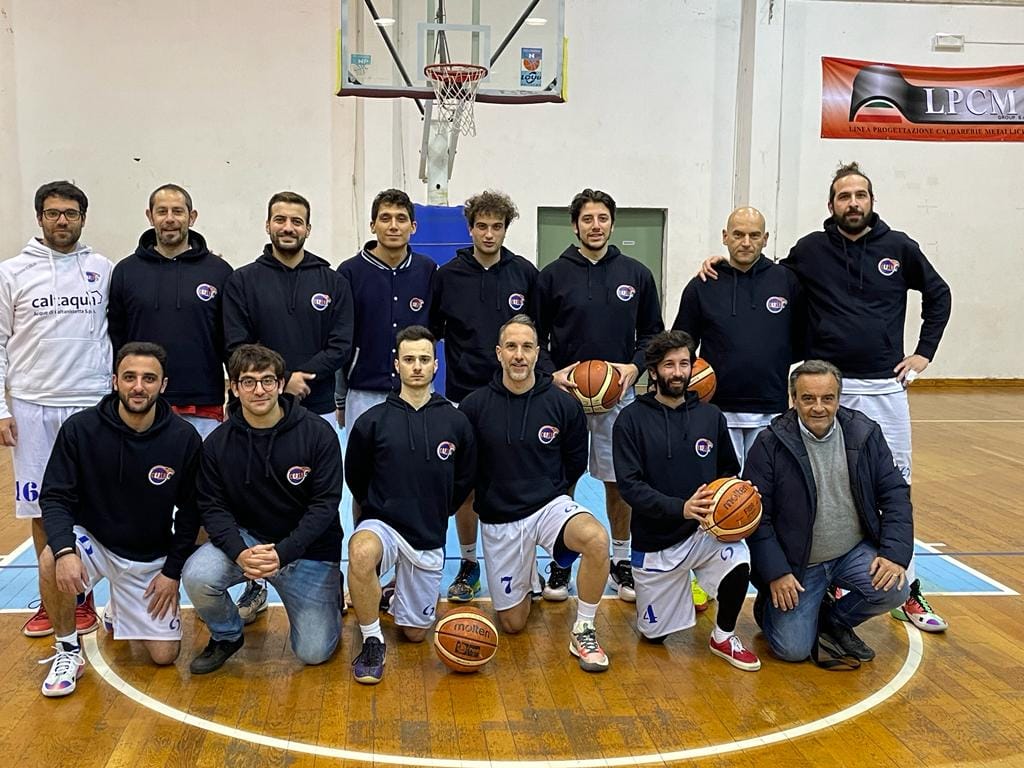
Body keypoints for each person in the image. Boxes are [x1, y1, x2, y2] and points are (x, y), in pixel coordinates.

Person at [700, 163, 952, 632]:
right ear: (830, 204)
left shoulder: (900, 248)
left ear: (871, 200)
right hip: (821, 387)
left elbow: (939, 294)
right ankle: (819, 572)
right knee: (813, 485)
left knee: (894, 484)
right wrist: (719, 264)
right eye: (843, 196)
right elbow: (762, 276)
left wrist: (923, 354)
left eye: (860, 195)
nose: (852, 203)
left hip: (882, 385)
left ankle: (908, 590)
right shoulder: (810, 251)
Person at [36, 342, 202, 696]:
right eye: (129, 377)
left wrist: (172, 572)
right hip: (93, 542)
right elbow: (54, 496)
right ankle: (67, 649)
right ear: (115, 381)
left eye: (148, 378)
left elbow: (191, 513)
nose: (138, 386)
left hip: (147, 557)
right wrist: (66, 551)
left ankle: (119, 608)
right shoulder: (80, 429)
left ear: (164, 385)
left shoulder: (183, 437)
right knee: (51, 557)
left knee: (163, 656)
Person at [222, 191, 353, 620]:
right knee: (250, 498)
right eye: (280, 220)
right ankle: (255, 582)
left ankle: (322, 572)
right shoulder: (242, 280)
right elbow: (237, 343)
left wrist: (297, 379)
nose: (288, 228)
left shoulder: (331, 281)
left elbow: (340, 344)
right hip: (255, 411)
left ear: (308, 229)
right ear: (268, 225)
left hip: (310, 407)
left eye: (297, 221)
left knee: (310, 494)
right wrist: (274, 385)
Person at [459, 315, 612, 673]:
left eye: (526, 347)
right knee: (512, 625)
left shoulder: (563, 404)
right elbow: (464, 473)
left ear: (537, 353)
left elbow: (574, 462)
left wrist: (555, 499)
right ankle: (528, 576)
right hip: (500, 519)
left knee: (595, 539)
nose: (518, 355)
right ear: (498, 353)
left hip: (547, 508)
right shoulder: (474, 407)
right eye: (511, 347)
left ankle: (585, 628)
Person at [181, 344, 344, 674]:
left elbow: (325, 505)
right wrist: (239, 552)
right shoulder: (218, 444)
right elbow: (213, 508)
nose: (259, 390)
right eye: (249, 381)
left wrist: (284, 553)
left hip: (308, 552)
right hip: (249, 543)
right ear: (235, 388)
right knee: (198, 575)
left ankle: (330, 590)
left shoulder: (317, 433)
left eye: (268, 380)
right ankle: (227, 635)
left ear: (281, 384)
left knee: (314, 653)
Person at [536, 189, 663, 603]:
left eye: (602, 218)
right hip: (566, 396)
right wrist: (552, 375)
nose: (595, 225)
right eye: (587, 218)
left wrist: (634, 367)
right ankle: (560, 563)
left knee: (619, 482)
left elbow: (651, 335)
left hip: (617, 396)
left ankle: (621, 560)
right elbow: (535, 338)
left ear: (612, 223)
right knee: (561, 481)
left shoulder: (637, 273)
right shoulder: (552, 275)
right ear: (574, 225)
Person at [744, 360, 912, 668]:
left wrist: (894, 554)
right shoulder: (769, 443)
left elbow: (895, 494)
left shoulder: (864, 433)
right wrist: (776, 573)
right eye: (808, 399)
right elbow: (758, 518)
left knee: (894, 588)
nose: (818, 407)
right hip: (799, 564)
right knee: (791, 650)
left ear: (839, 397)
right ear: (794, 400)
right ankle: (769, 608)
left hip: (851, 552)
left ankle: (832, 620)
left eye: (827, 398)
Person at [1, 180, 112, 638]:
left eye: (70, 213)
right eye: (53, 213)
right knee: (44, 510)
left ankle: (83, 597)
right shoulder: (11, 273)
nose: (61, 220)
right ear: (39, 218)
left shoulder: (103, 269)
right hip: (31, 406)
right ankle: (54, 600)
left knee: (96, 504)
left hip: (89, 404)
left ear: (83, 218)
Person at [613, 331, 759, 671]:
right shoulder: (630, 420)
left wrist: (737, 496)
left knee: (739, 556)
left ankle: (723, 636)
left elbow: (728, 470)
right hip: (656, 542)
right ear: (653, 370)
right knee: (653, 637)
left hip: (703, 531)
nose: (678, 372)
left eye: (684, 363)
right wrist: (681, 507)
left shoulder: (711, 416)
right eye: (669, 365)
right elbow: (630, 487)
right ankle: (670, 601)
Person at [344, 326, 475, 684]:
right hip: (384, 525)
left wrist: (439, 508)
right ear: (396, 365)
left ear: (436, 365)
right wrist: (377, 509)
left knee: (415, 633)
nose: (416, 366)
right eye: (409, 359)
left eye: (424, 359)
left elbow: (464, 479)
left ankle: (390, 593)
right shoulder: (372, 422)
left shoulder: (456, 422)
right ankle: (372, 640)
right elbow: (356, 478)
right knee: (360, 551)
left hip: (428, 534)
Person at [428, 190, 538, 602]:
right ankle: (471, 563)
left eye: (497, 226)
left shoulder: (524, 273)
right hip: (464, 395)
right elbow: (432, 331)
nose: (489, 233)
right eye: (482, 226)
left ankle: (527, 564)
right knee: (467, 482)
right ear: (470, 227)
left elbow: (538, 335)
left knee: (518, 475)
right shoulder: (447, 275)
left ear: (506, 229)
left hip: (519, 396)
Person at [672, 207, 803, 470]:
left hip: (770, 407)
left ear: (766, 239)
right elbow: (681, 346)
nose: (746, 242)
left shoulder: (786, 281)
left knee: (763, 491)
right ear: (725, 236)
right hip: (716, 409)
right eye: (738, 234)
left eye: (754, 235)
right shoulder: (703, 284)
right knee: (723, 493)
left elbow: (801, 339)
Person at [109, 184, 233, 440]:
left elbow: (229, 339)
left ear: (192, 216)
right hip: (142, 399)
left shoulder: (219, 271)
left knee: (202, 477)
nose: (169, 219)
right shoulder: (125, 271)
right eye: (162, 211)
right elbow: (116, 337)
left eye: (177, 211)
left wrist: (235, 393)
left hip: (203, 399)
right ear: (150, 216)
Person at [337, 189, 437, 432]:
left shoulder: (428, 271)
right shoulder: (349, 273)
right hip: (364, 392)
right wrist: (340, 398)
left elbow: (437, 329)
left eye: (401, 219)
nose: (394, 226)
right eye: (385, 218)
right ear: (372, 225)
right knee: (363, 467)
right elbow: (339, 339)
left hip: (417, 390)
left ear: (413, 226)